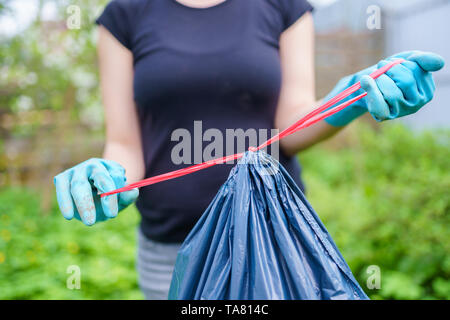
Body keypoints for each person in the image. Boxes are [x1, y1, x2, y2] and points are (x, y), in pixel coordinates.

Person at [54, 0, 444, 299]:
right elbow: (124, 144)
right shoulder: (124, 14)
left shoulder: (280, 5)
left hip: (273, 242)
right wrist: (108, 175)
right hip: (171, 253)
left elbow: (290, 128)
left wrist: (349, 99)